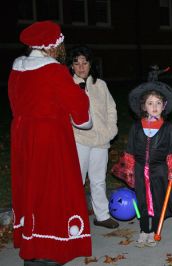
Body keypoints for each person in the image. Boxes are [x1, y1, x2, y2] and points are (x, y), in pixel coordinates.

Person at [8, 21, 92, 265]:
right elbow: (79, 110)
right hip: (49, 136)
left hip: (23, 135)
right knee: (52, 189)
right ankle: (49, 247)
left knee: (31, 187)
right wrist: (81, 113)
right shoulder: (53, 71)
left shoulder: (17, 69)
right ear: (52, 46)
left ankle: (31, 241)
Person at [111, 79, 172, 247]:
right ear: (143, 106)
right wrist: (129, 172)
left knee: (158, 201)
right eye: (150, 103)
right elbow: (130, 151)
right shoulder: (136, 127)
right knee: (142, 201)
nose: (154, 107)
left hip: (159, 170)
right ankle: (144, 229)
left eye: (158, 103)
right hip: (139, 169)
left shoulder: (167, 128)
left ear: (164, 106)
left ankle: (154, 231)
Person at [68, 45, 120, 228]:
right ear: (72, 66)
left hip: (100, 139)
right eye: (77, 63)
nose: (81, 67)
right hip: (80, 139)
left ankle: (102, 215)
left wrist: (110, 130)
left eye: (85, 62)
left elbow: (111, 108)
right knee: (77, 180)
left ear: (91, 64)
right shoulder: (68, 86)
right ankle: (74, 217)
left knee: (99, 179)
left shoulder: (100, 85)